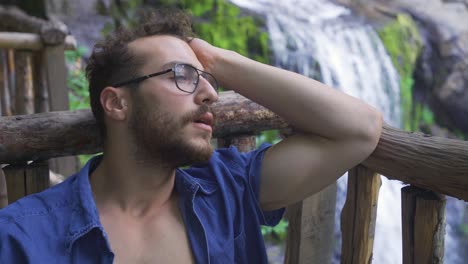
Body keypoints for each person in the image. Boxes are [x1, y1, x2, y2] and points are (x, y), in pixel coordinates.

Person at [0, 8, 382, 263]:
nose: (211, 93)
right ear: (116, 104)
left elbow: (358, 130)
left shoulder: (229, 188)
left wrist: (217, 60)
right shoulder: (25, 238)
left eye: (207, 79)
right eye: (181, 75)